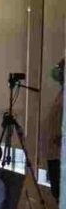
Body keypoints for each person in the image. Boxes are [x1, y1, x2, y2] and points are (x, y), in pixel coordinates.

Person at [43, 58, 63, 201]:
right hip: (54, 152)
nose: (57, 71)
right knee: (56, 192)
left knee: (60, 192)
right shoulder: (62, 92)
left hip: (60, 153)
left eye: (61, 68)